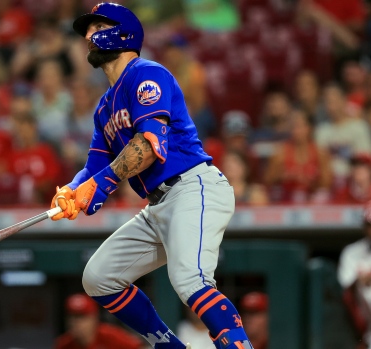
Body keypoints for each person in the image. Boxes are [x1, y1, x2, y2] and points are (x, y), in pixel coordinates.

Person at [50, 4, 253, 349]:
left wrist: (101, 184)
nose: (88, 36)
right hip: (158, 204)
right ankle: (170, 346)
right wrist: (71, 189)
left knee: (190, 279)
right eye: (88, 29)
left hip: (193, 186)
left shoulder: (146, 74)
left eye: (98, 27)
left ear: (124, 32)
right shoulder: (104, 107)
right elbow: (96, 164)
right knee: (99, 278)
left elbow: (148, 146)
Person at [338, 199, 371, 349]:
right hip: (370, 333)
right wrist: (357, 282)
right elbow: (344, 294)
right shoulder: (353, 253)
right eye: (370, 225)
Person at [55, 293, 144, 349]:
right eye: (73, 316)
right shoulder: (64, 344)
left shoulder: (112, 337)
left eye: (82, 317)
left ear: (94, 318)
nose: (76, 323)